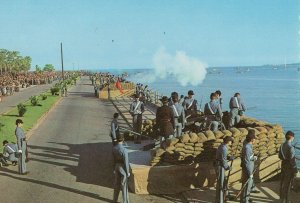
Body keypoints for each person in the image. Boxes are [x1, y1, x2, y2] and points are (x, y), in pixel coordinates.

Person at [279, 131, 298, 203]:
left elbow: (279, 156)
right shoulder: (291, 148)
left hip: (283, 165)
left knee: (282, 183)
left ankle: (282, 199)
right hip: (289, 168)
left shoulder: (282, 145)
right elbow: (292, 161)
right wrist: (295, 170)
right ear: (292, 137)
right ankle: (286, 201)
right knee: (287, 185)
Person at [215, 136, 234, 203]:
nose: (231, 143)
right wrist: (228, 167)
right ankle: (220, 200)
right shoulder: (224, 148)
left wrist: (229, 157)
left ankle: (225, 196)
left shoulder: (222, 146)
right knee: (221, 183)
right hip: (220, 166)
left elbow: (223, 157)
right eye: (231, 141)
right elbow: (223, 160)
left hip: (220, 165)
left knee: (224, 181)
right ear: (228, 141)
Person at [240, 129, 257, 203]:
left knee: (248, 186)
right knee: (246, 186)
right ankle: (244, 201)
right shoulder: (247, 147)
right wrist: (250, 173)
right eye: (254, 138)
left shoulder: (248, 145)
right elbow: (246, 161)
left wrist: (253, 157)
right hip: (248, 169)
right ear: (252, 139)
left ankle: (245, 199)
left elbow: (249, 157)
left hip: (249, 167)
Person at [112, 133, 130, 203]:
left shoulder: (114, 148)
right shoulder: (124, 150)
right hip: (122, 168)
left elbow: (112, 160)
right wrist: (128, 171)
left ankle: (114, 200)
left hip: (116, 166)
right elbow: (126, 162)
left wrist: (113, 168)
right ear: (123, 140)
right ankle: (125, 201)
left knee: (116, 184)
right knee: (124, 185)